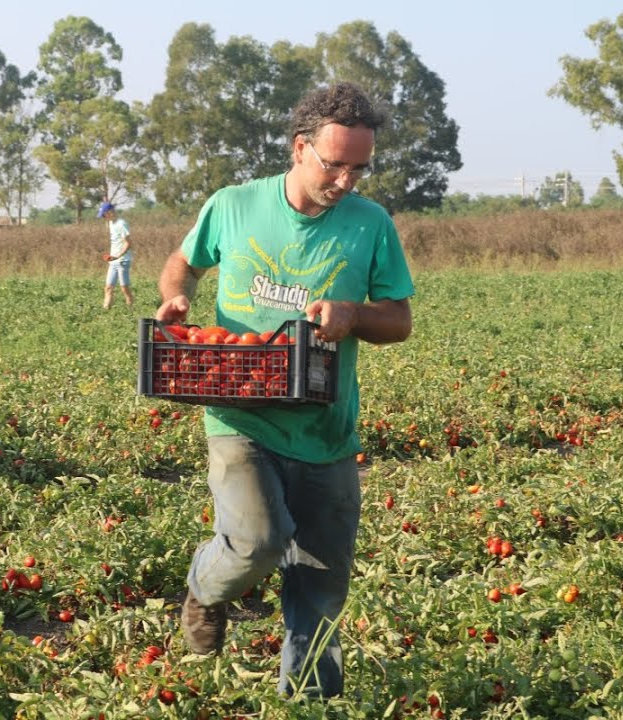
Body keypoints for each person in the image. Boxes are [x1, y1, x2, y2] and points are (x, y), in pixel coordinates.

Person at [154, 82, 415, 698]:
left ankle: (309, 702)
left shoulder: (371, 224)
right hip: (239, 415)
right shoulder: (235, 206)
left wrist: (354, 314)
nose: (347, 180)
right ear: (300, 148)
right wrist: (175, 296)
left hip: (325, 427)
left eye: (360, 167)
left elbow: (399, 320)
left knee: (321, 585)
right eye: (335, 164)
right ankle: (205, 588)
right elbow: (183, 263)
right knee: (257, 540)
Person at [98, 201, 135, 310]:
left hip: (123, 261)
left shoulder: (121, 224)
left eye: (104, 215)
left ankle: (131, 310)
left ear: (110, 212)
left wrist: (117, 256)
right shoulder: (111, 223)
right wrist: (112, 257)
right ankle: (105, 311)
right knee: (108, 288)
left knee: (124, 288)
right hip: (113, 261)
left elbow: (128, 243)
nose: (103, 217)